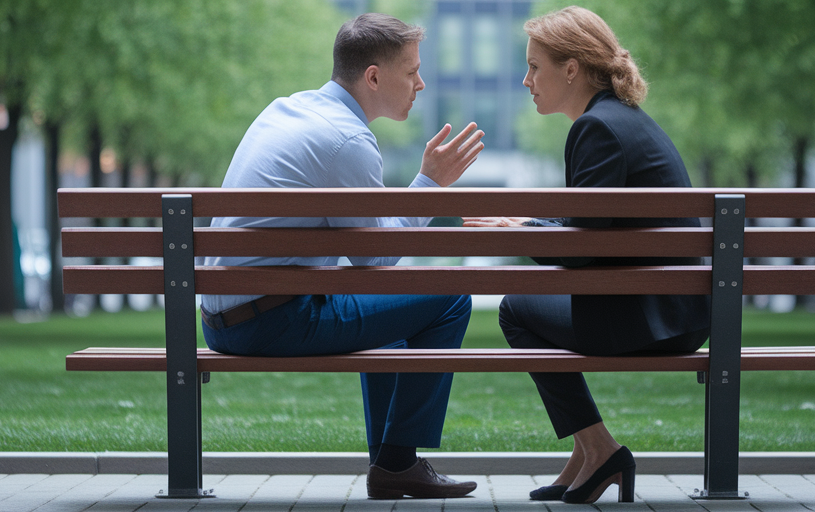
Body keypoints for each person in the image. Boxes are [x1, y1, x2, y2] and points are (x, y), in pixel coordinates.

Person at [198, 13, 485, 499]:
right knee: (453, 295)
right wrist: (430, 186)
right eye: (412, 71)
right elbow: (376, 263)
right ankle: (396, 462)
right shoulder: (348, 139)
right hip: (270, 321)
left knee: (387, 321)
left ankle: (397, 466)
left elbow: (363, 258)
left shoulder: (287, 109)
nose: (421, 83)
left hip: (219, 318)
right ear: (373, 77)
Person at [462, 6, 709, 504]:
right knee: (528, 306)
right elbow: (595, 230)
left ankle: (599, 449)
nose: (526, 79)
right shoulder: (623, 120)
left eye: (535, 66)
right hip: (678, 314)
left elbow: (579, 251)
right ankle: (587, 454)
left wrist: (518, 235)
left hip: (650, 319)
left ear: (571, 68)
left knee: (515, 309)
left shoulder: (594, 129)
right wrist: (529, 226)